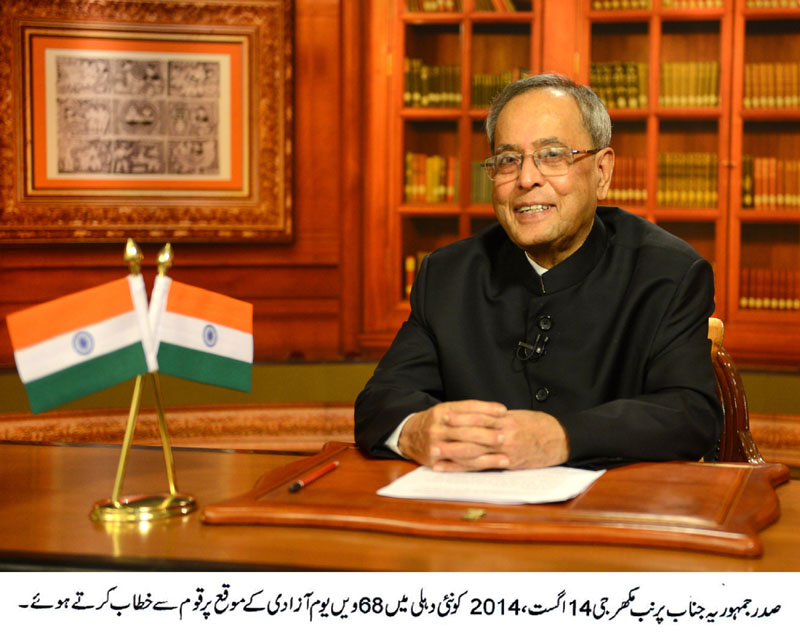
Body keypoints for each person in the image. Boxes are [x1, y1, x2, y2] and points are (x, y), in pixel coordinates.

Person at [355, 73, 722, 472]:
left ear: (602, 172)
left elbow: (690, 413)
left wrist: (563, 437)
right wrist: (414, 430)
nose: (527, 179)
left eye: (552, 155)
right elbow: (380, 401)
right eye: (508, 160)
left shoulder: (668, 273)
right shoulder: (447, 276)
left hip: (613, 504)